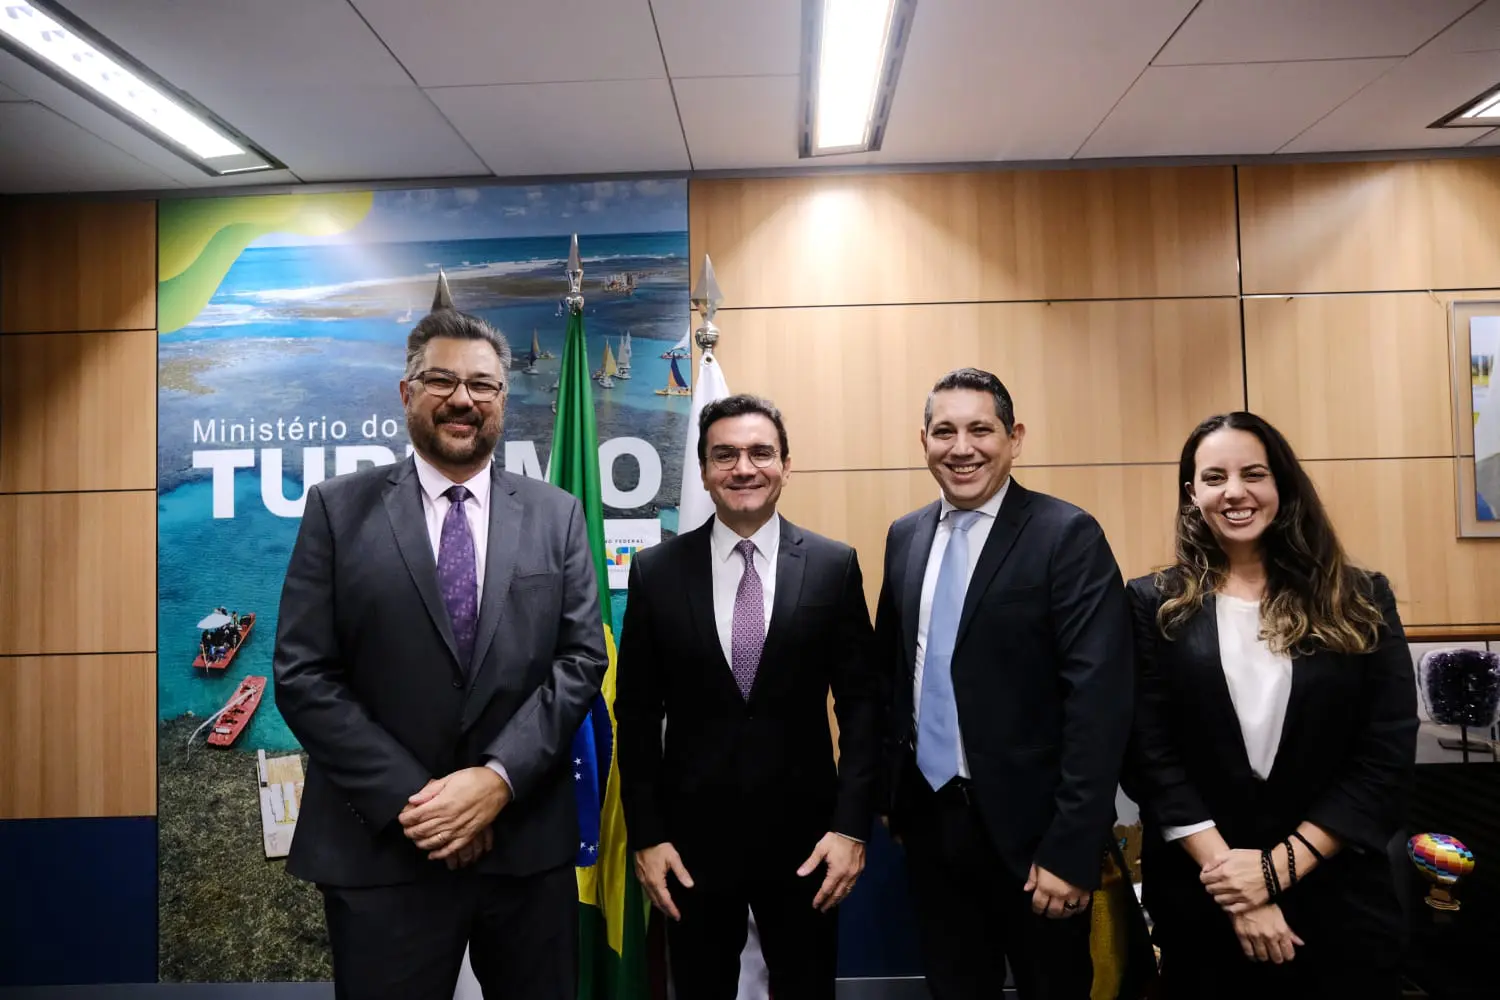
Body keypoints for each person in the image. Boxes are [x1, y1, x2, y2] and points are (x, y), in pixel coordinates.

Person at [272, 306, 608, 1000]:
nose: (463, 399)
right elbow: (304, 674)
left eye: (482, 385)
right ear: (406, 393)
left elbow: (579, 661)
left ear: (502, 400)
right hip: (384, 852)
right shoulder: (337, 511)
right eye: (442, 381)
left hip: (522, 853)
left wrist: (494, 782)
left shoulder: (557, 515)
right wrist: (419, 803)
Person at [1122, 411, 1417, 999]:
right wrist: (1238, 888)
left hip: (1338, 899)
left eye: (1253, 474)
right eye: (1214, 477)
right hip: (1201, 900)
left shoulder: (1360, 597)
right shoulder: (1150, 604)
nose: (1235, 492)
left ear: (1282, 484)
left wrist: (1274, 871)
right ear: (1192, 494)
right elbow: (1149, 756)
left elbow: (1384, 753)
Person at [874, 367, 1134, 999]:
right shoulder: (906, 537)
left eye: (980, 430)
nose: (961, 448)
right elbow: (891, 677)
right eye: (944, 431)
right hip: (933, 827)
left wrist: (1071, 851)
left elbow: (1099, 703)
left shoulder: (1065, 534)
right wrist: (891, 800)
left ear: (1014, 437)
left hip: (1038, 840)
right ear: (924, 441)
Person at [616, 394, 882, 999]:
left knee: (807, 988)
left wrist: (851, 828)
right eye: (725, 455)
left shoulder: (833, 566)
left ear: (787, 465)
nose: (744, 467)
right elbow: (635, 716)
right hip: (689, 849)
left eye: (761, 452)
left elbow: (863, 708)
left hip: (809, 847)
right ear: (705, 472)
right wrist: (648, 836)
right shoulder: (656, 573)